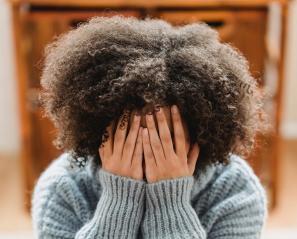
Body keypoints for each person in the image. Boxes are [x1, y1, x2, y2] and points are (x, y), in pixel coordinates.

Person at [31, 15, 268, 238]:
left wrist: (170, 203)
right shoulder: (62, 188)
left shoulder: (236, 192)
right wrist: (118, 201)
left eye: (166, 134)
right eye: (130, 133)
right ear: (99, 130)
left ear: (201, 133)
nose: (149, 146)